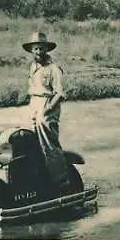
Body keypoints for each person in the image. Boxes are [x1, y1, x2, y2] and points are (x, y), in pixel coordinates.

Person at [23, 32, 71, 194]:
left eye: (41, 48)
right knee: (29, 139)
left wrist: (48, 109)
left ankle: (61, 180)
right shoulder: (33, 67)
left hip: (47, 104)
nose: (38, 52)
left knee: (49, 143)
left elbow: (59, 93)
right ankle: (39, 178)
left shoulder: (53, 69)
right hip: (34, 103)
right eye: (35, 49)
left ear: (46, 50)